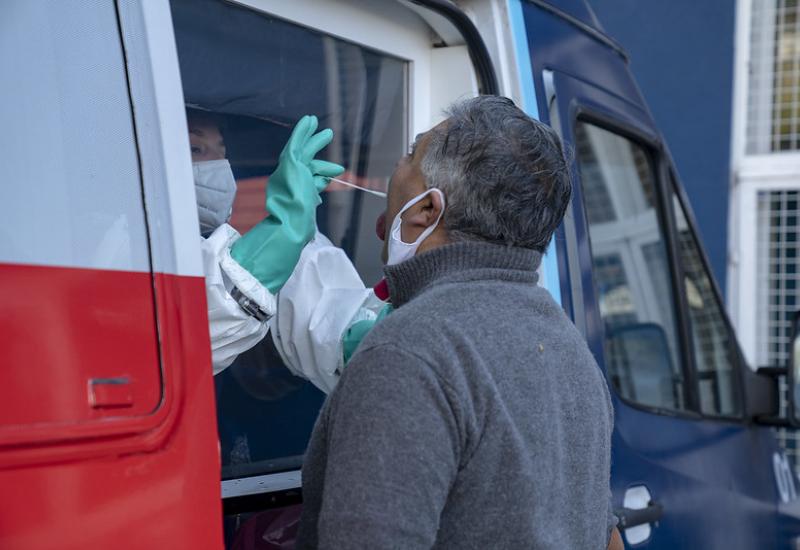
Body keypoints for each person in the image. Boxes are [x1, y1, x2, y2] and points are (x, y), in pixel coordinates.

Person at [294, 96, 620, 549]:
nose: (395, 165)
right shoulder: (571, 351)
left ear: (427, 210)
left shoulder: (408, 352)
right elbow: (607, 540)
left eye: (409, 155)